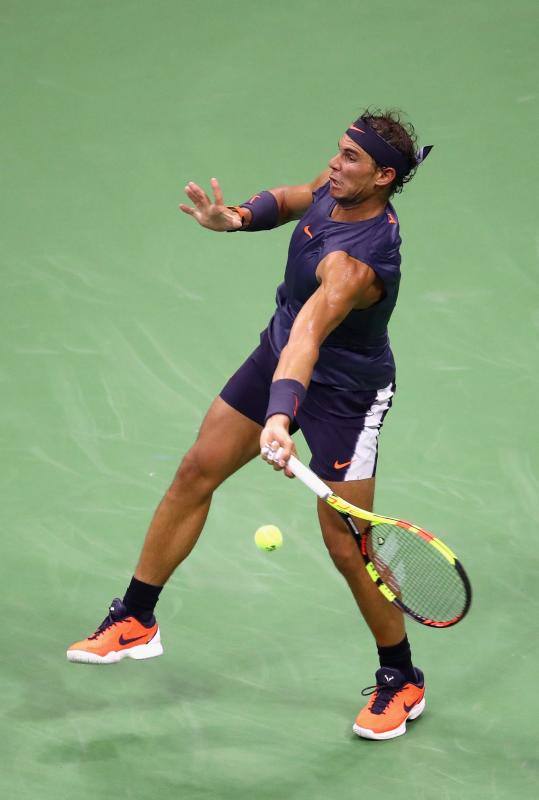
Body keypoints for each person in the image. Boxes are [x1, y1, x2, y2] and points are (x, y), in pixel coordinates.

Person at [67, 108, 432, 741]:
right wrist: (233, 217)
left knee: (350, 547)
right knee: (196, 470)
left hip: (345, 395)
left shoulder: (356, 266)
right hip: (279, 352)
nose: (336, 164)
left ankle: (402, 678)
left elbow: (310, 338)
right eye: (340, 152)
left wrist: (280, 416)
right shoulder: (340, 183)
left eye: (351, 159)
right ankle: (137, 617)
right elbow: (294, 199)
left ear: (384, 177)